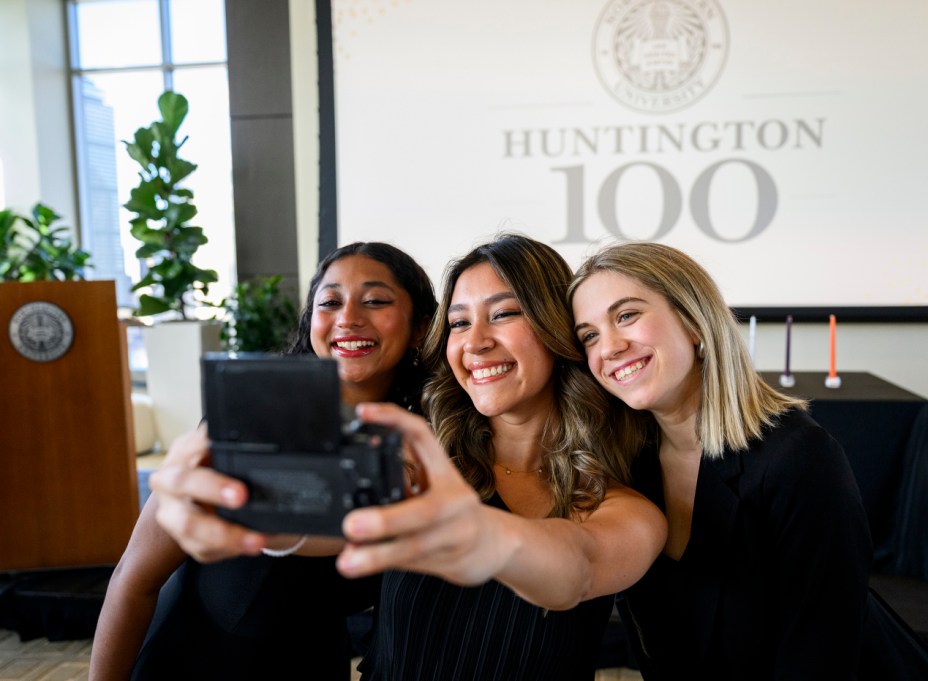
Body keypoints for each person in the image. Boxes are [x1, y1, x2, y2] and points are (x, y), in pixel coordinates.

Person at [147, 233, 668, 680]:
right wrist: (243, 503)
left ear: (558, 331)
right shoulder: (420, 463)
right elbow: (317, 525)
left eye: (504, 314)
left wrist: (479, 534)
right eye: (460, 323)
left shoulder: (622, 507)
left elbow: (577, 568)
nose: (477, 342)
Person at [89, 242, 437, 681]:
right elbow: (134, 578)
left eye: (375, 301)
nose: (348, 317)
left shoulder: (427, 440)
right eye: (329, 302)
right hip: (192, 663)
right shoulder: (249, 417)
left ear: (421, 326)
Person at [568, 241, 874, 680]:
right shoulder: (629, 465)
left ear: (693, 322)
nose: (610, 347)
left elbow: (821, 655)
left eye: (627, 315)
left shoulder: (800, 458)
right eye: (589, 336)